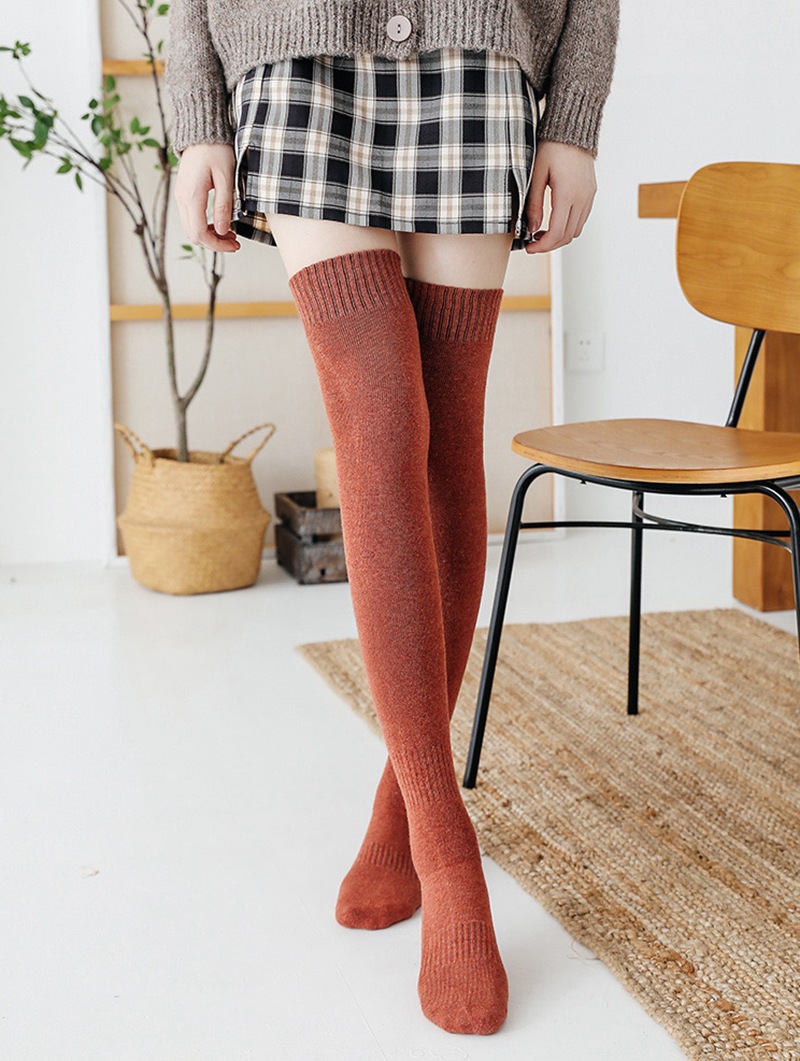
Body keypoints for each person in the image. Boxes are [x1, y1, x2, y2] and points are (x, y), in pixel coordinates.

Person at [166, 1, 619, 1036]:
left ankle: (395, 805)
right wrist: (198, 120)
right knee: (379, 421)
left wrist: (574, 121)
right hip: (296, 61)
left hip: (477, 61)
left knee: (446, 444)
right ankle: (447, 847)